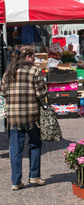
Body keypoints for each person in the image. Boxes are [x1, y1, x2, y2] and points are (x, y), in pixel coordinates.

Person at [0, 46, 47, 190]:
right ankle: (34, 175)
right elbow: (40, 92)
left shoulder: (9, 72)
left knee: (15, 149)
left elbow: (2, 92)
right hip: (31, 116)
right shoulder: (34, 71)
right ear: (27, 57)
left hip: (14, 117)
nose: (34, 59)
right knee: (35, 144)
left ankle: (16, 182)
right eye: (33, 56)